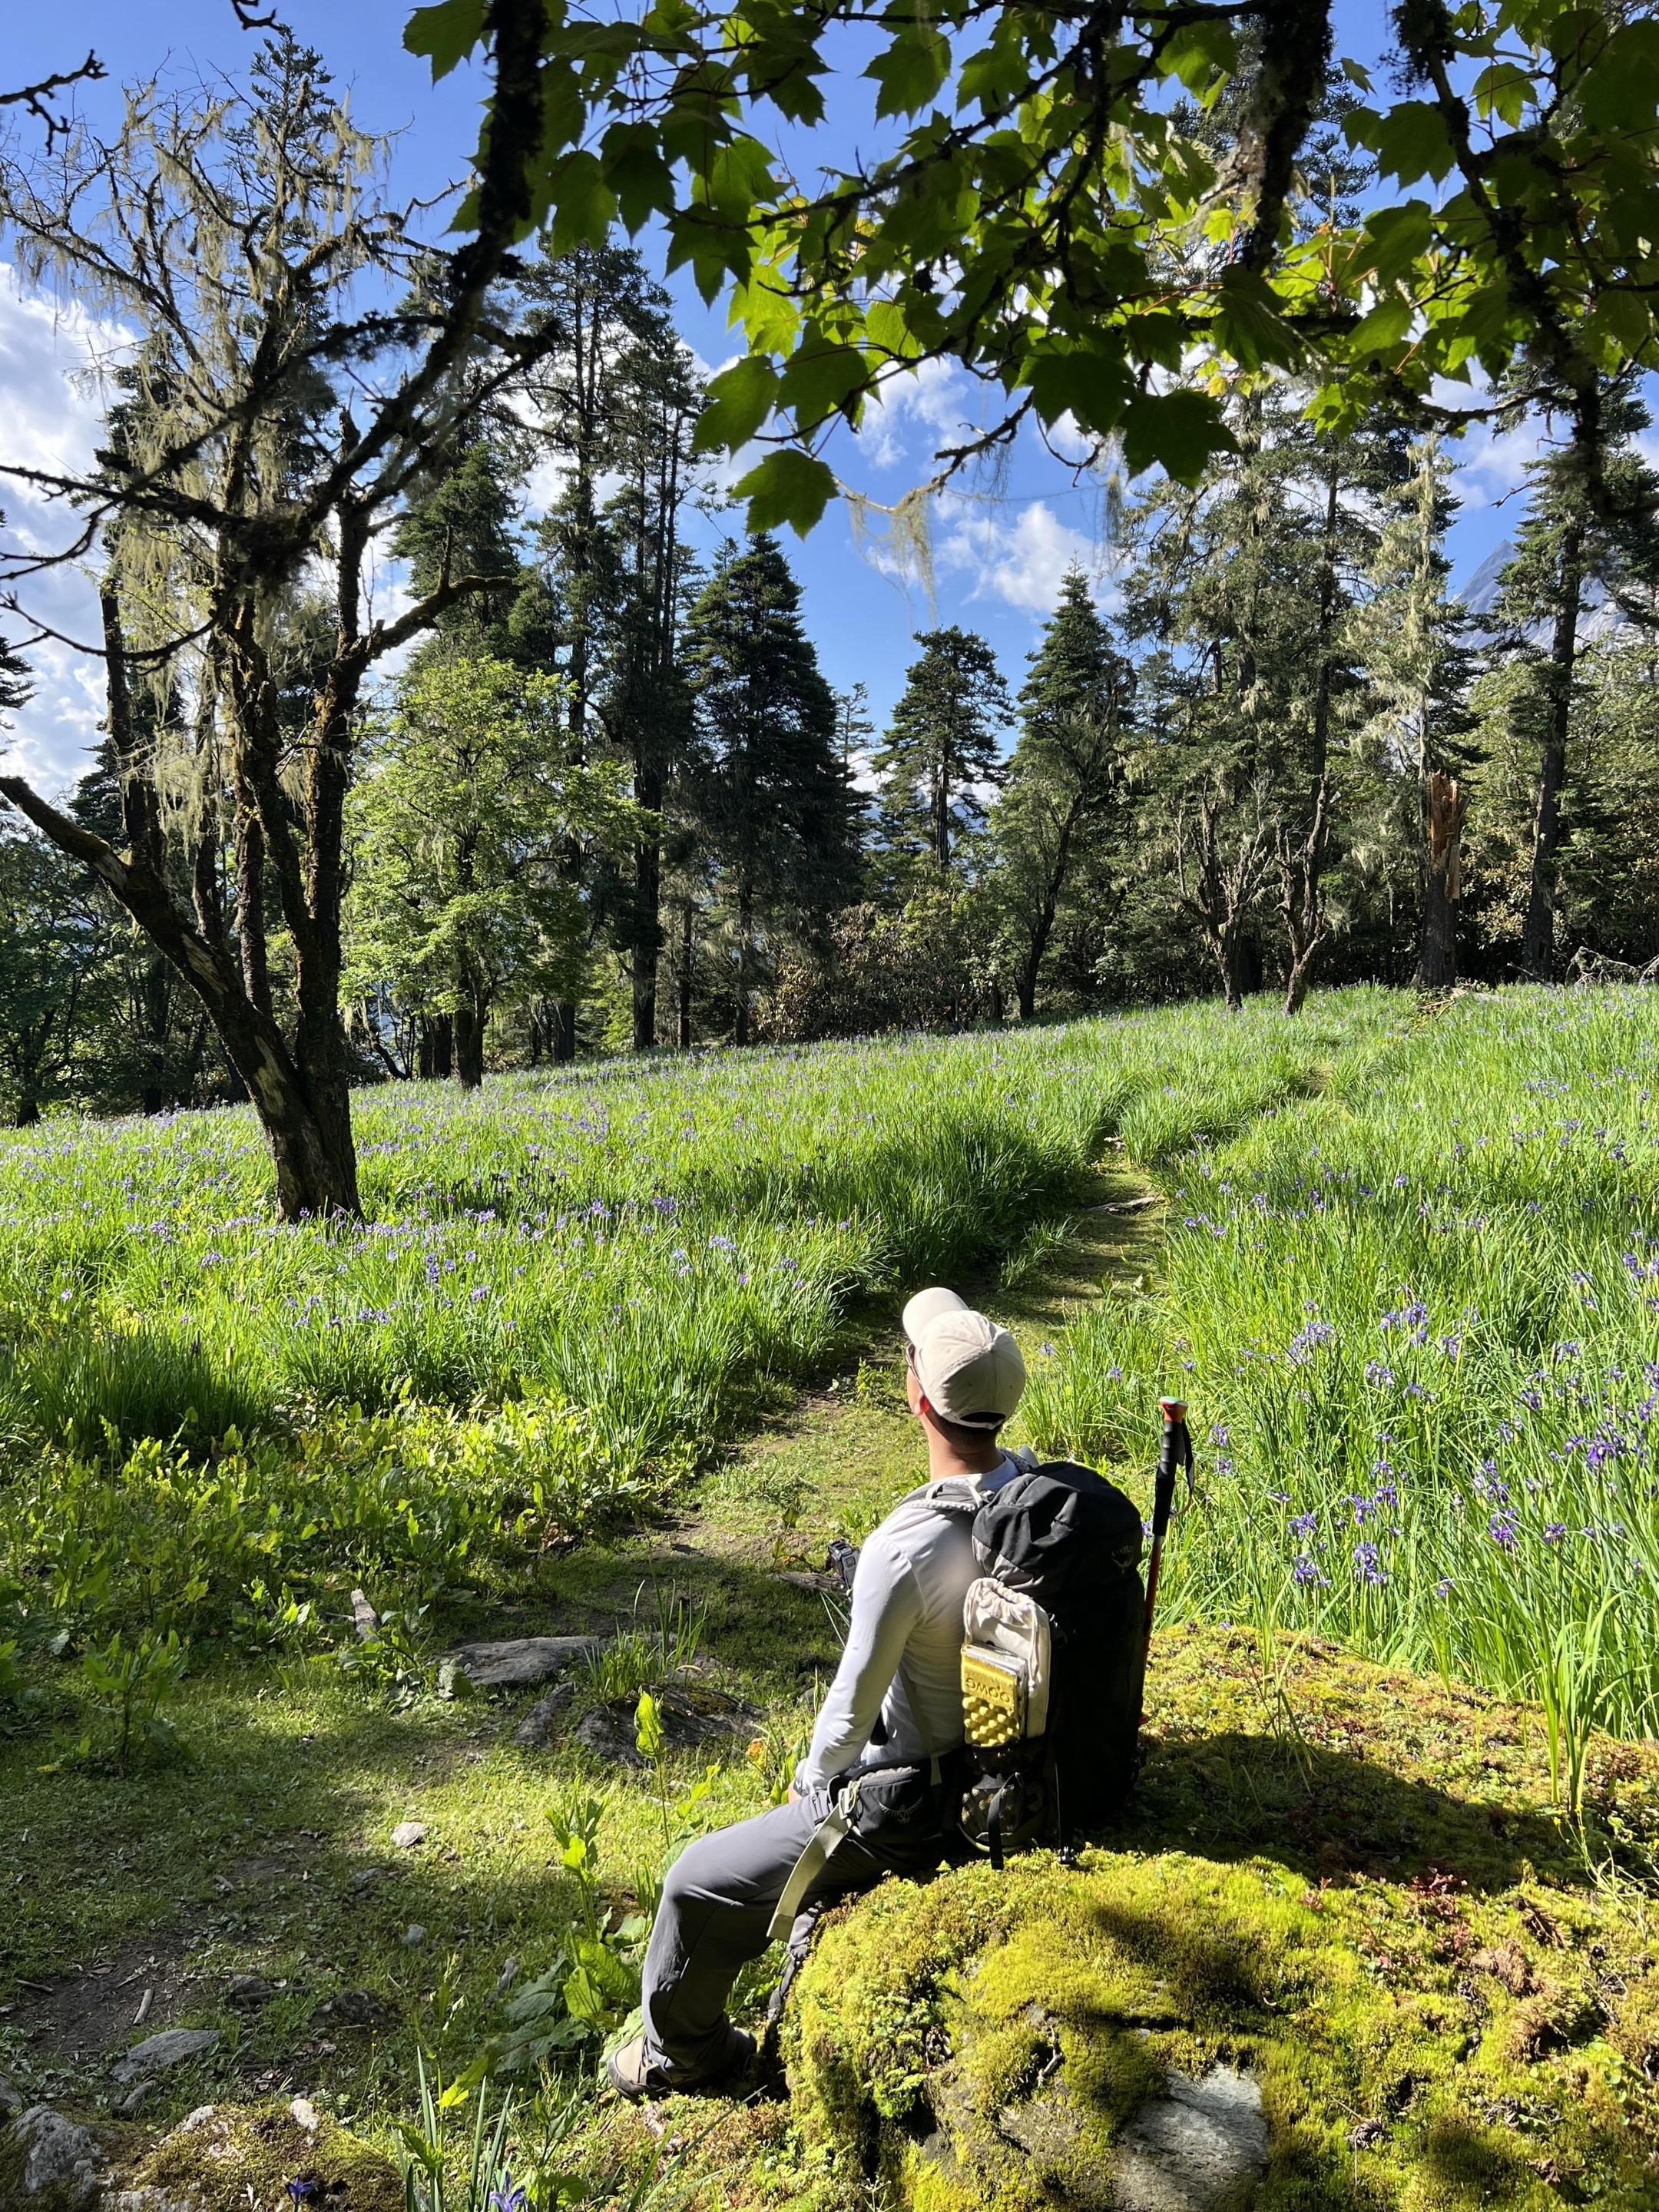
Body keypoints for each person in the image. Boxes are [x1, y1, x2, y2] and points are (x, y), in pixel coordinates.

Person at [606, 1286, 1028, 2101]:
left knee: (694, 1881)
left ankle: (682, 2055)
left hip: (916, 1806)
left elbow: (849, 1714)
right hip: (1008, 1774)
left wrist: (812, 1781)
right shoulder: (1031, 1494)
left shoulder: (904, 1546)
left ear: (916, 1396)